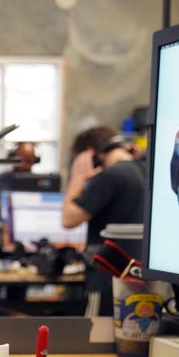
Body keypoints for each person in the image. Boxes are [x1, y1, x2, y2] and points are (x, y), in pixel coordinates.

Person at [61, 130, 146, 316]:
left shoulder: (110, 176)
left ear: (90, 154)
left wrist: (77, 177)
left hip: (106, 278)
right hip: (137, 277)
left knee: (97, 339)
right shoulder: (144, 170)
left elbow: (68, 219)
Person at [0, 141, 37, 219]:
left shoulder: (38, 182)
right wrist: (0, 203)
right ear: (13, 158)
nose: (25, 165)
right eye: (21, 160)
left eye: (29, 161)